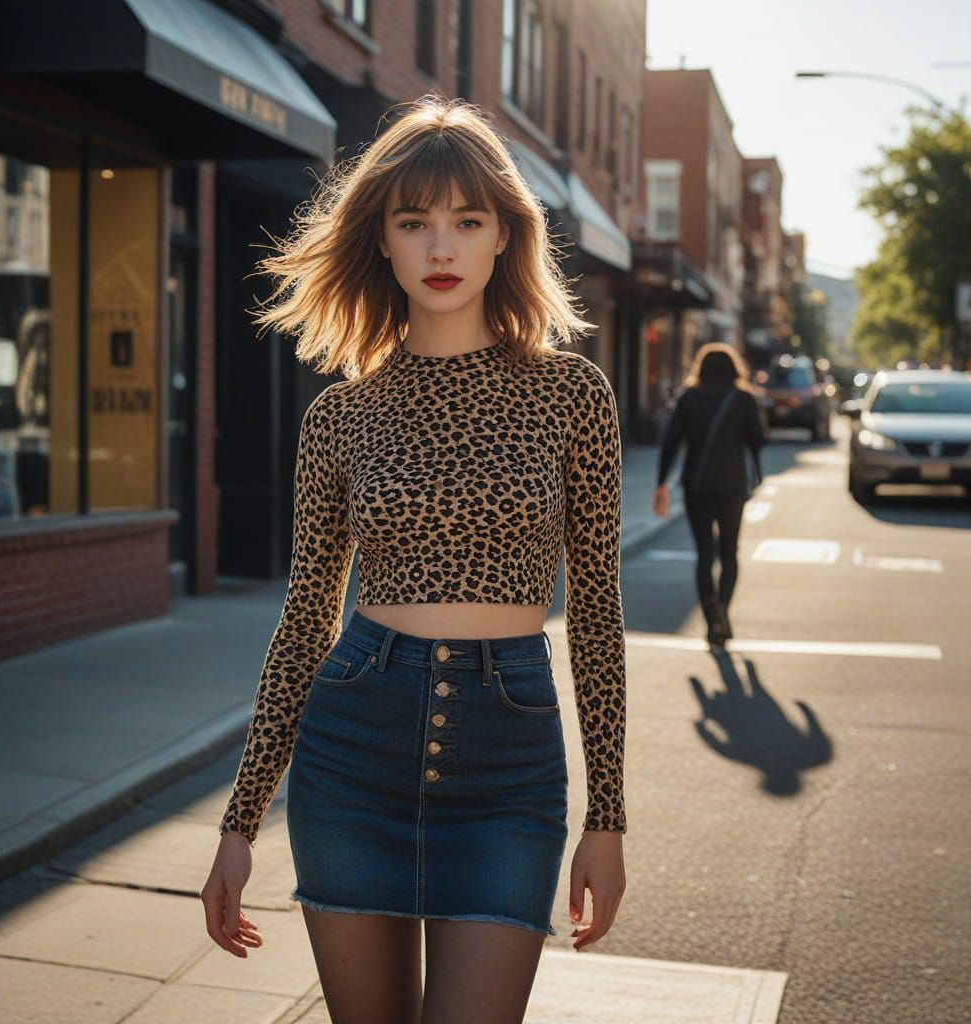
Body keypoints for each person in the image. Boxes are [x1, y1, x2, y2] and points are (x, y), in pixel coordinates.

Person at [200, 95, 627, 1024]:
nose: (442, 248)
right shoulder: (339, 416)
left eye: (468, 222)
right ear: (381, 241)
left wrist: (609, 815)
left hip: (510, 762)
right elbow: (305, 618)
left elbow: (597, 614)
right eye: (415, 222)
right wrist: (239, 824)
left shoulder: (572, 396)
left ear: (505, 237)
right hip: (353, 749)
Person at [652, 343, 764, 649]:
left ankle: (709, 617)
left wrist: (661, 483)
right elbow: (757, 439)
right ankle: (724, 609)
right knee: (729, 550)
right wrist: (758, 473)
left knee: (704, 552)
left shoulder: (689, 399)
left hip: (696, 485)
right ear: (733, 369)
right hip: (732, 485)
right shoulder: (743, 399)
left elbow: (671, 443)